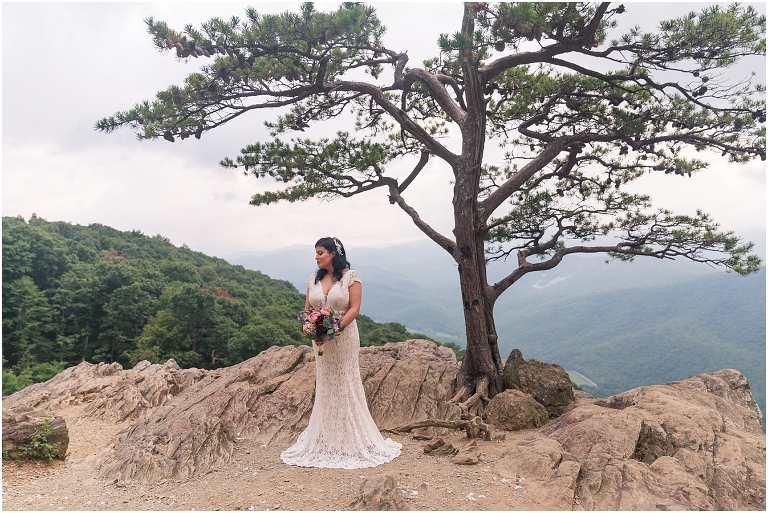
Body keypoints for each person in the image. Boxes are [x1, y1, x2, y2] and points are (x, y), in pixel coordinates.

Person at [280, 237, 402, 468]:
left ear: (333, 254)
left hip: (344, 338)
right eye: (315, 253)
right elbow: (308, 309)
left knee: (346, 381)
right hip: (321, 341)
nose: (316, 257)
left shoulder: (350, 277)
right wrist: (313, 329)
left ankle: (349, 438)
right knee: (327, 383)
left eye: (320, 252)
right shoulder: (313, 279)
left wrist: (335, 328)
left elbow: (354, 308)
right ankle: (330, 436)